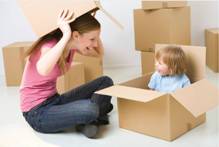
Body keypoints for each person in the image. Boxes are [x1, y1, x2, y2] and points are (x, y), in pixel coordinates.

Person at [20, 9, 113, 138]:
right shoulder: (49, 46)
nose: (95, 44)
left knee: (106, 82)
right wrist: (65, 35)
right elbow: (43, 69)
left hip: (55, 100)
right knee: (89, 109)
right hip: (37, 113)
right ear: (75, 36)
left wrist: (93, 28)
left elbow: (99, 53)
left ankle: (88, 120)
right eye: (92, 39)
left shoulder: (73, 46)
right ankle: (92, 116)